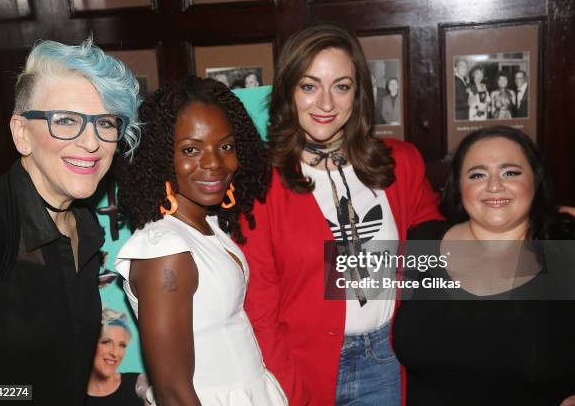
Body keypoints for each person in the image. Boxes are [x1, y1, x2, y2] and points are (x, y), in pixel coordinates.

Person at [238, 22, 443, 406]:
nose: (326, 104)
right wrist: (290, 392)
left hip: (387, 358)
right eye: (309, 85)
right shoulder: (260, 183)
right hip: (302, 367)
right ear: (288, 92)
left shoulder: (401, 163)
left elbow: (438, 252)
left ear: (358, 93)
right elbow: (260, 312)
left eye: (341, 86)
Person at [0, 39, 140, 405]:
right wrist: (23, 397)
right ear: (21, 133)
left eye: (105, 123)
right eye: (66, 121)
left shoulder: (85, 225)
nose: (91, 142)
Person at [114, 76, 287, 406]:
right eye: (191, 150)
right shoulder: (164, 249)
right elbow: (173, 393)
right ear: (162, 157)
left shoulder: (204, 224)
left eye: (225, 146)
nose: (214, 163)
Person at [393, 126, 575, 405]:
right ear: (458, 186)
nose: (494, 186)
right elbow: (333, 280)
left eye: (510, 172)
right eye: (477, 174)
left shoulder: (564, 248)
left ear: (535, 181)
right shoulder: (421, 242)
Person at [87, 308, 149, 406]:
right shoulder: (69, 395)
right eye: (106, 342)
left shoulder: (140, 386)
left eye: (122, 345)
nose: (115, 353)